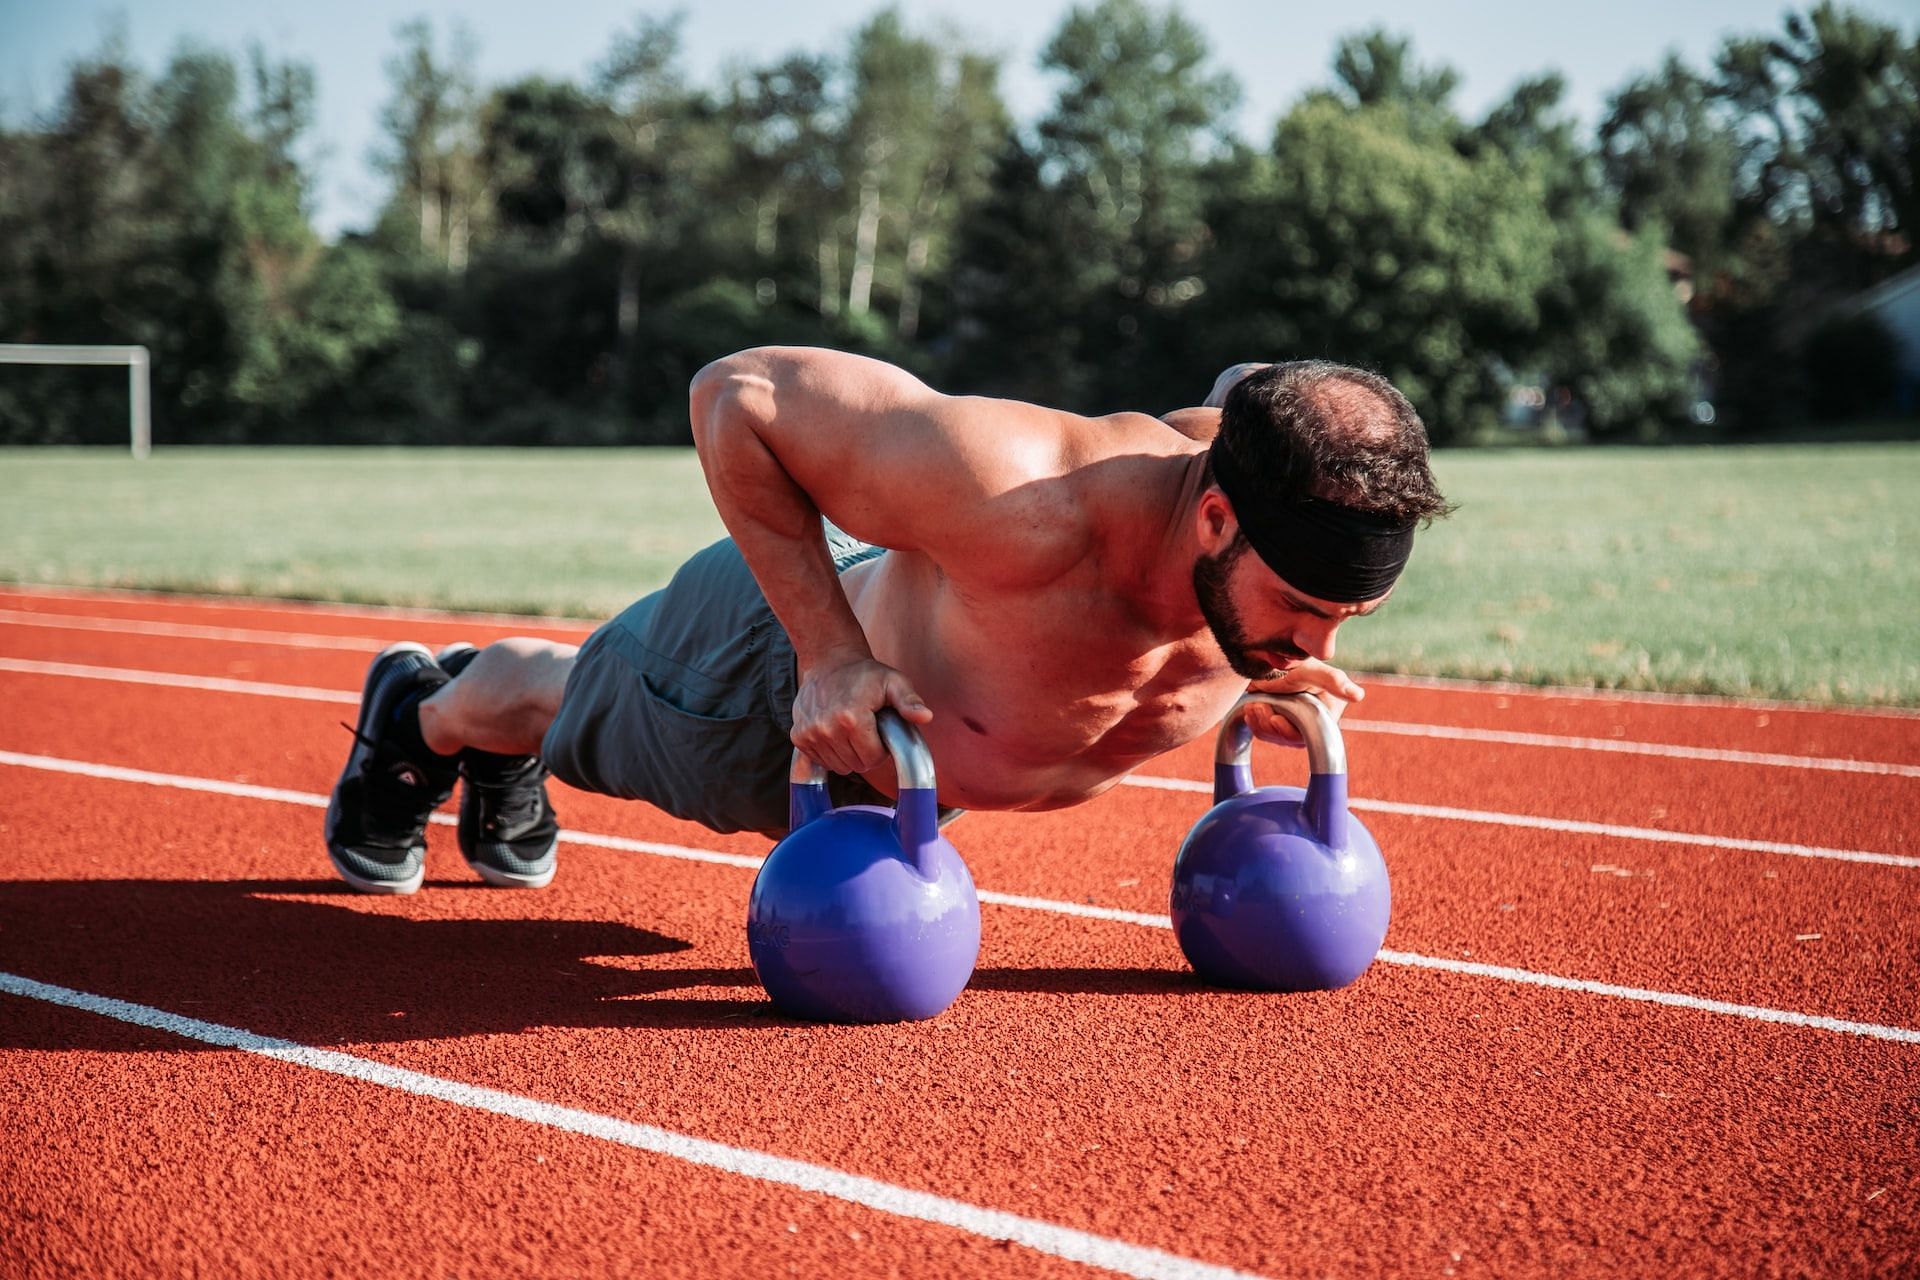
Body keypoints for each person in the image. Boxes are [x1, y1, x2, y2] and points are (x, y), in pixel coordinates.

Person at [322, 350, 1452, 894]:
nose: (1320, 655)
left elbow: (1254, 376)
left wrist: (1271, 643)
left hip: (915, 740)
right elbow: (738, 397)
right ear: (1212, 518)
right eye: (1303, 614)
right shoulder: (1024, 492)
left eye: (1348, 618)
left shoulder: (1261, 491)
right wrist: (827, 655)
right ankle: (432, 713)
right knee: (564, 703)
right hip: (763, 682)